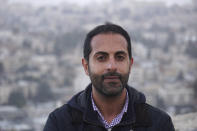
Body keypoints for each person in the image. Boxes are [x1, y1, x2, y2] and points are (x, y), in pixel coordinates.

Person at [43, 23, 175, 131]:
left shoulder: (158, 124)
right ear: (86, 66)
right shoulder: (60, 123)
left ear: (130, 65)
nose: (111, 66)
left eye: (120, 57)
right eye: (101, 58)